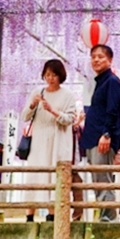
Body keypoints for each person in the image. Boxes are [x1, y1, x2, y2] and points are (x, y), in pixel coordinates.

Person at [20, 59, 78, 222]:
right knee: (34, 176)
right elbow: (24, 116)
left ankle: (52, 215)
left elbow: (69, 119)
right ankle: (29, 216)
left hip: (57, 141)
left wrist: (52, 110)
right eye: (47, 75)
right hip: (38, 141)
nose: (50, 78)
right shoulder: (38, 92)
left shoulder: (68, 96)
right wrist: (33, 104)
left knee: (53, 177)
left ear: (60, 76)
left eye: (54, 75)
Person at [79, 44, 120, 222]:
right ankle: (105, 218)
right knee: (98, 180)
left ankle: (109, 222)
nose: (96, 60)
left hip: (101, 139)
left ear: (110, 60)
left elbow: (113, 111)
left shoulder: (112, 82)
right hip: (92, 138)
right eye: (93, 57)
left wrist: (106, 134)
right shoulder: (100, 82)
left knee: (103, 180)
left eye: (101, 56)